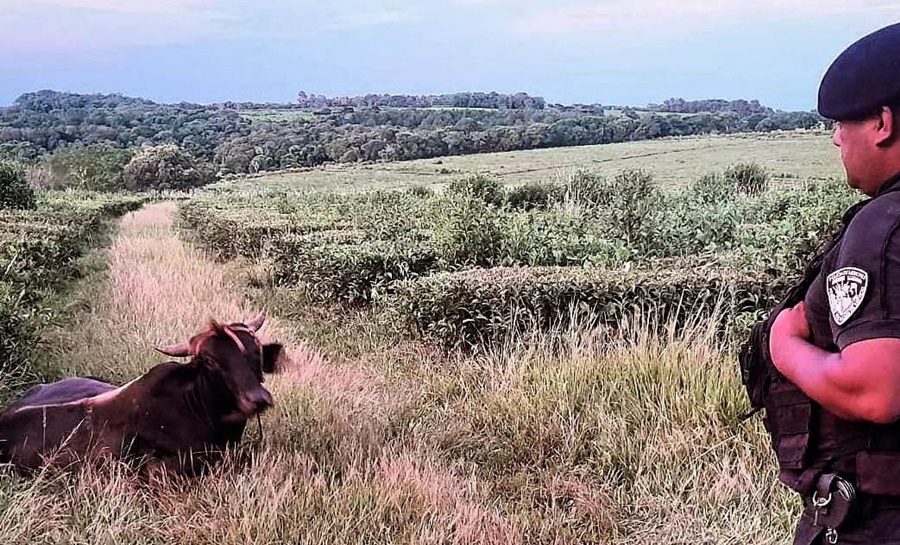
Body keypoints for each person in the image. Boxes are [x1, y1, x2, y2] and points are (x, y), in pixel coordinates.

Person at [741, 21, 900, 545]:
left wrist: (782, 346)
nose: (835, 137)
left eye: (840, 122)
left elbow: (875, 390)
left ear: (881, 123)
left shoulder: (882, 226)